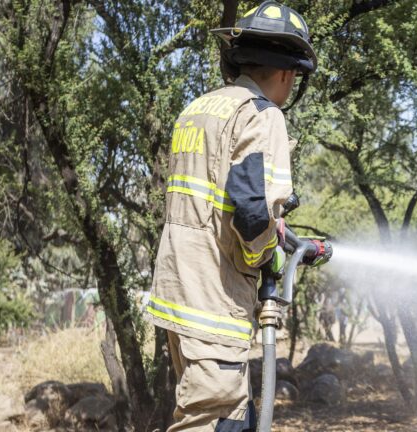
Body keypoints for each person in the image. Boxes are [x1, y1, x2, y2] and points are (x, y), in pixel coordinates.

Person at [144, 2, 319, 430]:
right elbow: (248, 208)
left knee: (231, 421)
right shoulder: (262, 115)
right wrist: (268, 253)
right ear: (286, 73)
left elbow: (215, 201)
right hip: (214, 306)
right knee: (210, 420)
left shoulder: (199, 109)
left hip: (181, 297)